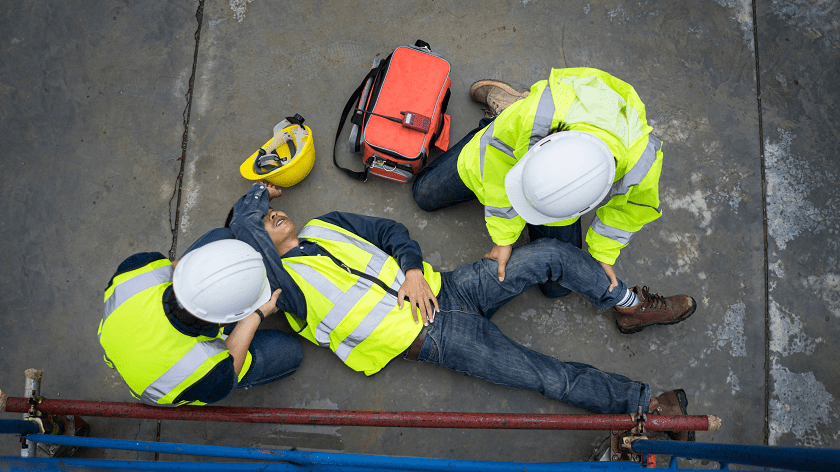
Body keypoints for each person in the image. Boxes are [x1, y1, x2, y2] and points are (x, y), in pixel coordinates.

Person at [226, 181, 695, 440]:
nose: (274, 216)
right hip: (438, 340)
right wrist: (253, 203)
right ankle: (648, 405)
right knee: (548, 377)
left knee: (550, 252)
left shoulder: (325, 226)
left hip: (451, 288)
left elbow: (390, 230)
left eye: (269, 212)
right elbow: (257, 248)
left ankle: (628, 305)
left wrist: (411, 270)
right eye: (264, 223)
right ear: (257, 249)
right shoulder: (281, 293)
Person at [412, 68, 696, 335]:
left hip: (553, 179)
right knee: (424, 194)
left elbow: (630, 210)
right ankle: (504, 113)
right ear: (545, 144)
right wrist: (503, 239)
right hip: (506, 140)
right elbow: (496, 171)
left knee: (557, 289)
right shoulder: (535, 115)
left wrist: (603, 253)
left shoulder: (642, 159)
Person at [98, 237, 303, 406]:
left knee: (221, 234)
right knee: (290, 352)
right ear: (227, 319)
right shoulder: (208, 371)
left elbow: (181, 270)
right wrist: (256, 315)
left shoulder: (139, 268)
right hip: (160, 387)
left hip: (123, 342)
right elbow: (229, 373)